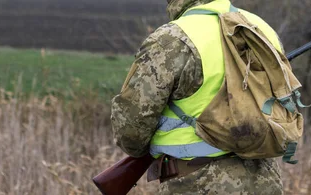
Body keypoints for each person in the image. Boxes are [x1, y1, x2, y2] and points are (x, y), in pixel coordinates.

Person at [111, 0, 284, 194]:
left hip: (196, 183)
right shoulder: (262, 29)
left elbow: (131, 131)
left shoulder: (170, 39)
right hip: (265, 181)